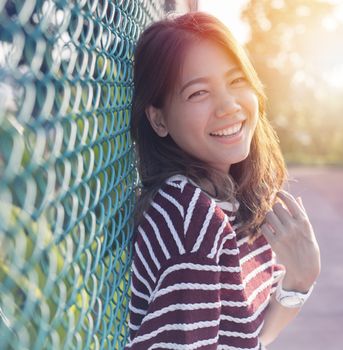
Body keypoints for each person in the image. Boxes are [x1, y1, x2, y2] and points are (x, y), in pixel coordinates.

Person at [127, 11, 321, 349]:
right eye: (198, 93)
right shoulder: (189, 219)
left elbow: (250, 339)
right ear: (159, 120)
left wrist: (300, 281)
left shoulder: (231, 200)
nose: (228, 106)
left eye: (236, 81)